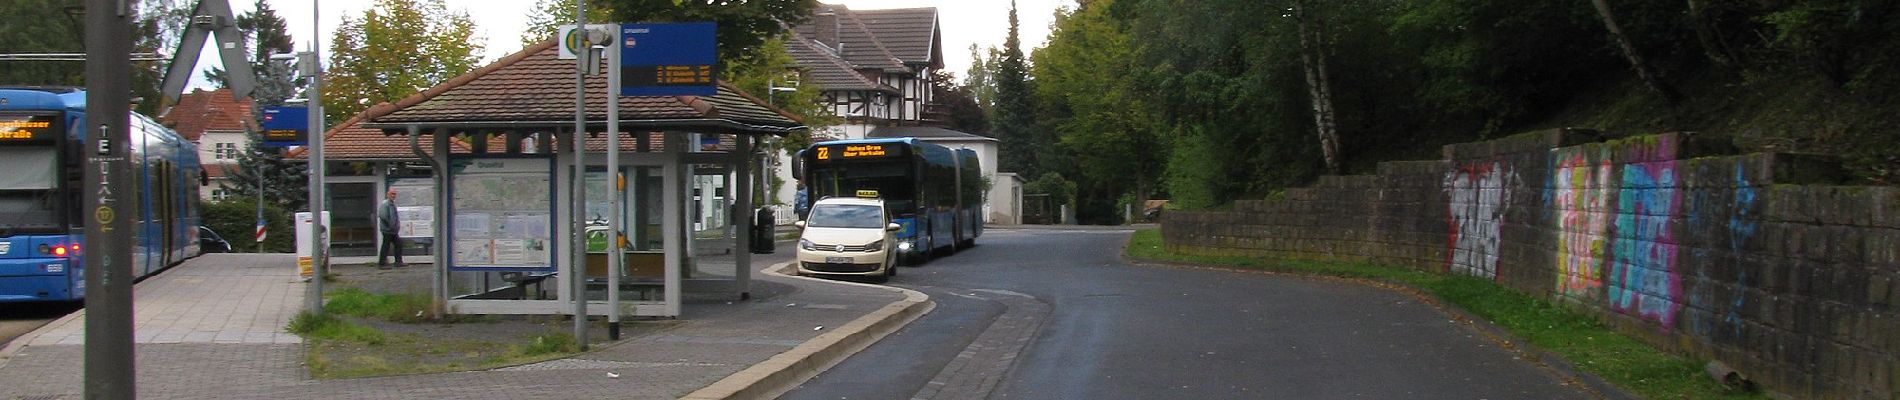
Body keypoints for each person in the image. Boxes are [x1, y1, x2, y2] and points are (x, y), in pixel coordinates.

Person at [376, 188, 405, 269]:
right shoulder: (385, 204)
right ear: (387, 194)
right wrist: (389, 225)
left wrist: (395, 226)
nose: (393, 195)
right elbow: (382, 215)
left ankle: (398, 261)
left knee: (398, 244)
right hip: (388, 230)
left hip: (393, 230)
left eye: (394, 194)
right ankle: (382, 263)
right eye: (392, 194)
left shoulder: (392, 204)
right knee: (386, 246)